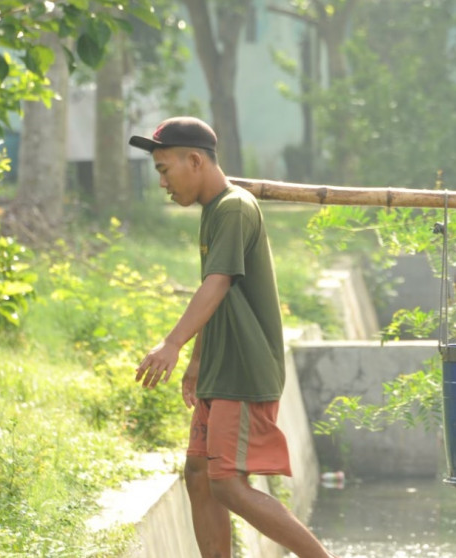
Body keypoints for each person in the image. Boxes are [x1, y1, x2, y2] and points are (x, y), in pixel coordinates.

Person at [130, 117, 338, 558]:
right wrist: (199, 359)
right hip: (221, 367)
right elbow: (217, 293)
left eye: (164, 169)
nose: (162, 182)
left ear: (195, 161)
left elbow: (218, 283)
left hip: (244, 368)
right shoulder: (214, 210)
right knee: (199, 474)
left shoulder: (234, 208)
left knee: (225, 482)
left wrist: (173, 344)